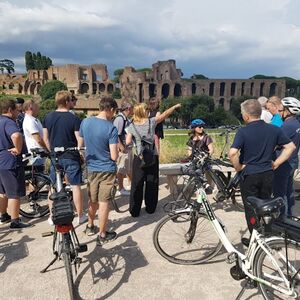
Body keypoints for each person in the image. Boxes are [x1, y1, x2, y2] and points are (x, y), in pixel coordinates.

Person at [229, 99, 295, 236]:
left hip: (250, 175)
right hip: (268, 173)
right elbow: (290, 147)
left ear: (246, 115)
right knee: (266, 206)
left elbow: (233, 153)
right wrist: (276, 163)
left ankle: (256, 238)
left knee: (251, 209)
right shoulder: (274, 129)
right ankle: (268, 234)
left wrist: (238, 167)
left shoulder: (243, 131)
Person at [126, 102, 181, 217]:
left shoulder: (131, 125)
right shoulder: (151, 122)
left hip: (138, 158)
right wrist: (174, 107)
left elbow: (127, 142)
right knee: (152, 182)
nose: (149, 112)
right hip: (152, 157)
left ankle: (134, 210)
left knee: (137, 184)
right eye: (147, 110)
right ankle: (150, 208)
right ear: (143, 111)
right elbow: (165, 114)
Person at [43, 91, 87, 225]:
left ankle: (52, 216)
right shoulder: (73, 118)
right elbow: (79, 138)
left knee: (52, 187)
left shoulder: (48, 117)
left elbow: (45, 138)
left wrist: (51, 151)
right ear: (67, 101)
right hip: (70, 155)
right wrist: (80, 151)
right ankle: (80, 215)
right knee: (75, 186)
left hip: (55, 156)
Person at [79, 97, 119, 245]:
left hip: (91, 168)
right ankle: (102, 234)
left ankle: (90, 226)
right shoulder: (111, 128)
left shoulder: (85, 122)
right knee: (104, 203)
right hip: (106, 169)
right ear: (110, 109)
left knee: (92, 199)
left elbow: (81, 145)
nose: (113, 115)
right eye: (114, 112)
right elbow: (114, 156)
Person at [0, 98, 32, 229]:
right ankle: (15, 221)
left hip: (1, 160)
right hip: (10, 161)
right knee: (14, 193)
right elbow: (16, 136)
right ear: (10, 110)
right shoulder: (9, 122)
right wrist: (18, 149)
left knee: (2, 192)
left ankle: (3, 215)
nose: (17, 113)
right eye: (16, 110)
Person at [273, 97, 300, 216]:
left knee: (280, 192)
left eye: (281, 110)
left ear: (288, 111)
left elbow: (275, 143)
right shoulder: (296, 123)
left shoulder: (287, 126)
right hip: (293, 161)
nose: (279, 112)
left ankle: (283, 219)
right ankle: (289, 214)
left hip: (283, 162)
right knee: (288, 190)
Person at [113, 101, 133, 196]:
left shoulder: (125, 119)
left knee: (127, 167)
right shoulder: (120, 119)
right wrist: (121, 147)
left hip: (127, 147)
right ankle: (120, 188)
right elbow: (115, 134)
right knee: (121, 168)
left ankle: (129, 184)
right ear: (128, 109)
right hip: (123, 148)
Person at [23, 100, 47, 168]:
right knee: (38, 174)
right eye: (37, 106)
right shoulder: (29, 121)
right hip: (37, 153)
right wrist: (47, 148)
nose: (39, 108)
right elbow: (38, 139)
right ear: (31, 107)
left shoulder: (34, 119)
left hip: (40, 152)